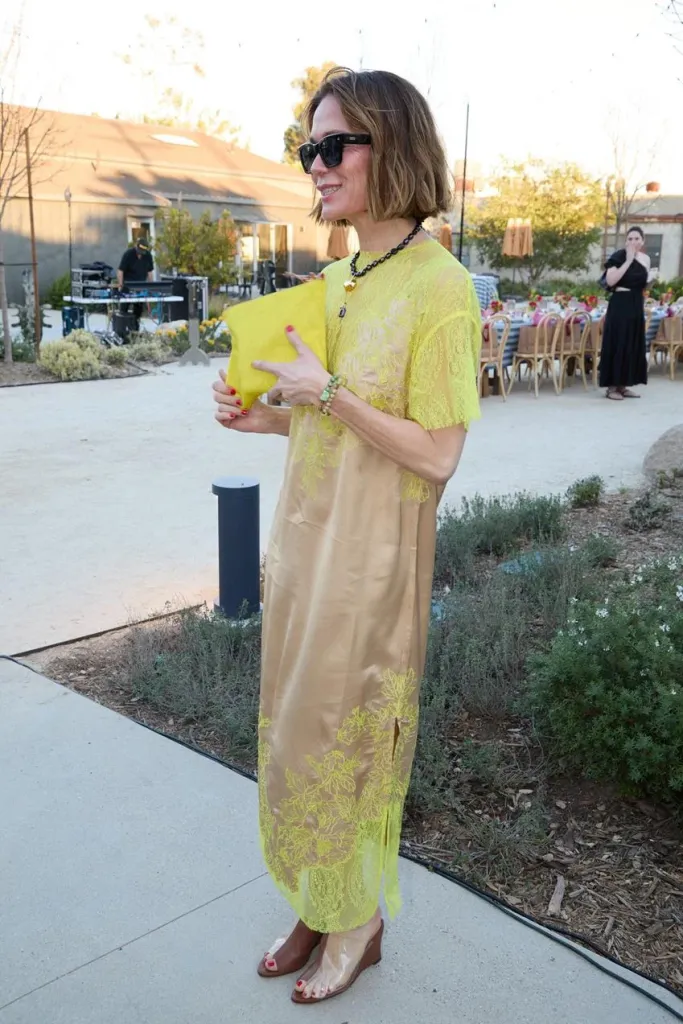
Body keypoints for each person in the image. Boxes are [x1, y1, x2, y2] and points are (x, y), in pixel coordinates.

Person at [212, 67, 481, 1005]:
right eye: (309, 148)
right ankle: (316, 901)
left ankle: (358, 923)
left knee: (350, 746)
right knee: (292, 738)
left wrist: (322, 392)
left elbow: (437, 455)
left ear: (391, 148)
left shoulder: (441, 289)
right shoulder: (329, 281)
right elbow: (332, 420)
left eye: (335, 146)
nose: (317, 166)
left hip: (370, 566)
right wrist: (270, 415)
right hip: (300, 550)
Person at [599, 227, 650, 400]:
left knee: (631, 344)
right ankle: (612, 387)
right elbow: (611, 280)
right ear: (625, 241)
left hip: (636, 304)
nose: (633, 242)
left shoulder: (646, 259)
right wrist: (628, 261)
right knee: (618, 342)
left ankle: (624, 385)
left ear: (642, 241)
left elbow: (643, 283)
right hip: (620, 303)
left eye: (637, 238)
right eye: (630, 239)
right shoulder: (618, 257)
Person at [117, 239, 154, 331]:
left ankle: (135, 329)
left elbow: (150, 272)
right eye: (139, 252)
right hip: (127, 286)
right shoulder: (128, 254)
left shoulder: (148, 256)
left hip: (141, 286)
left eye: (142, 252)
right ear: (136, 246)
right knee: (123, 310)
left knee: (138, 310)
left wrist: (151, 288)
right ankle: (122, 329)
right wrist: (120, 285)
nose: (140, 254)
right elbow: (120, 271)